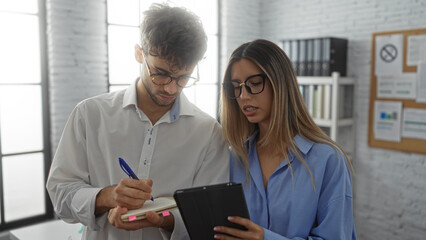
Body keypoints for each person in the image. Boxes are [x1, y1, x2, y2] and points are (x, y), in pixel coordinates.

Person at [46, 3, 229, 240]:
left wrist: (166, 220)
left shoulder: (209, 133)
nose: (171, 87)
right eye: (161, 73)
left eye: (183, 77)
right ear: (139, 53)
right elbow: (60, 194)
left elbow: (209, 216)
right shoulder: (89, 115)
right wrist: (106, 197)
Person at [215, 39, 356, 240]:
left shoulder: (329, 160)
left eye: (254, 84)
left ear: (279, 83)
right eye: (236, 87)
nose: (243, 96)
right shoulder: (234, 158)